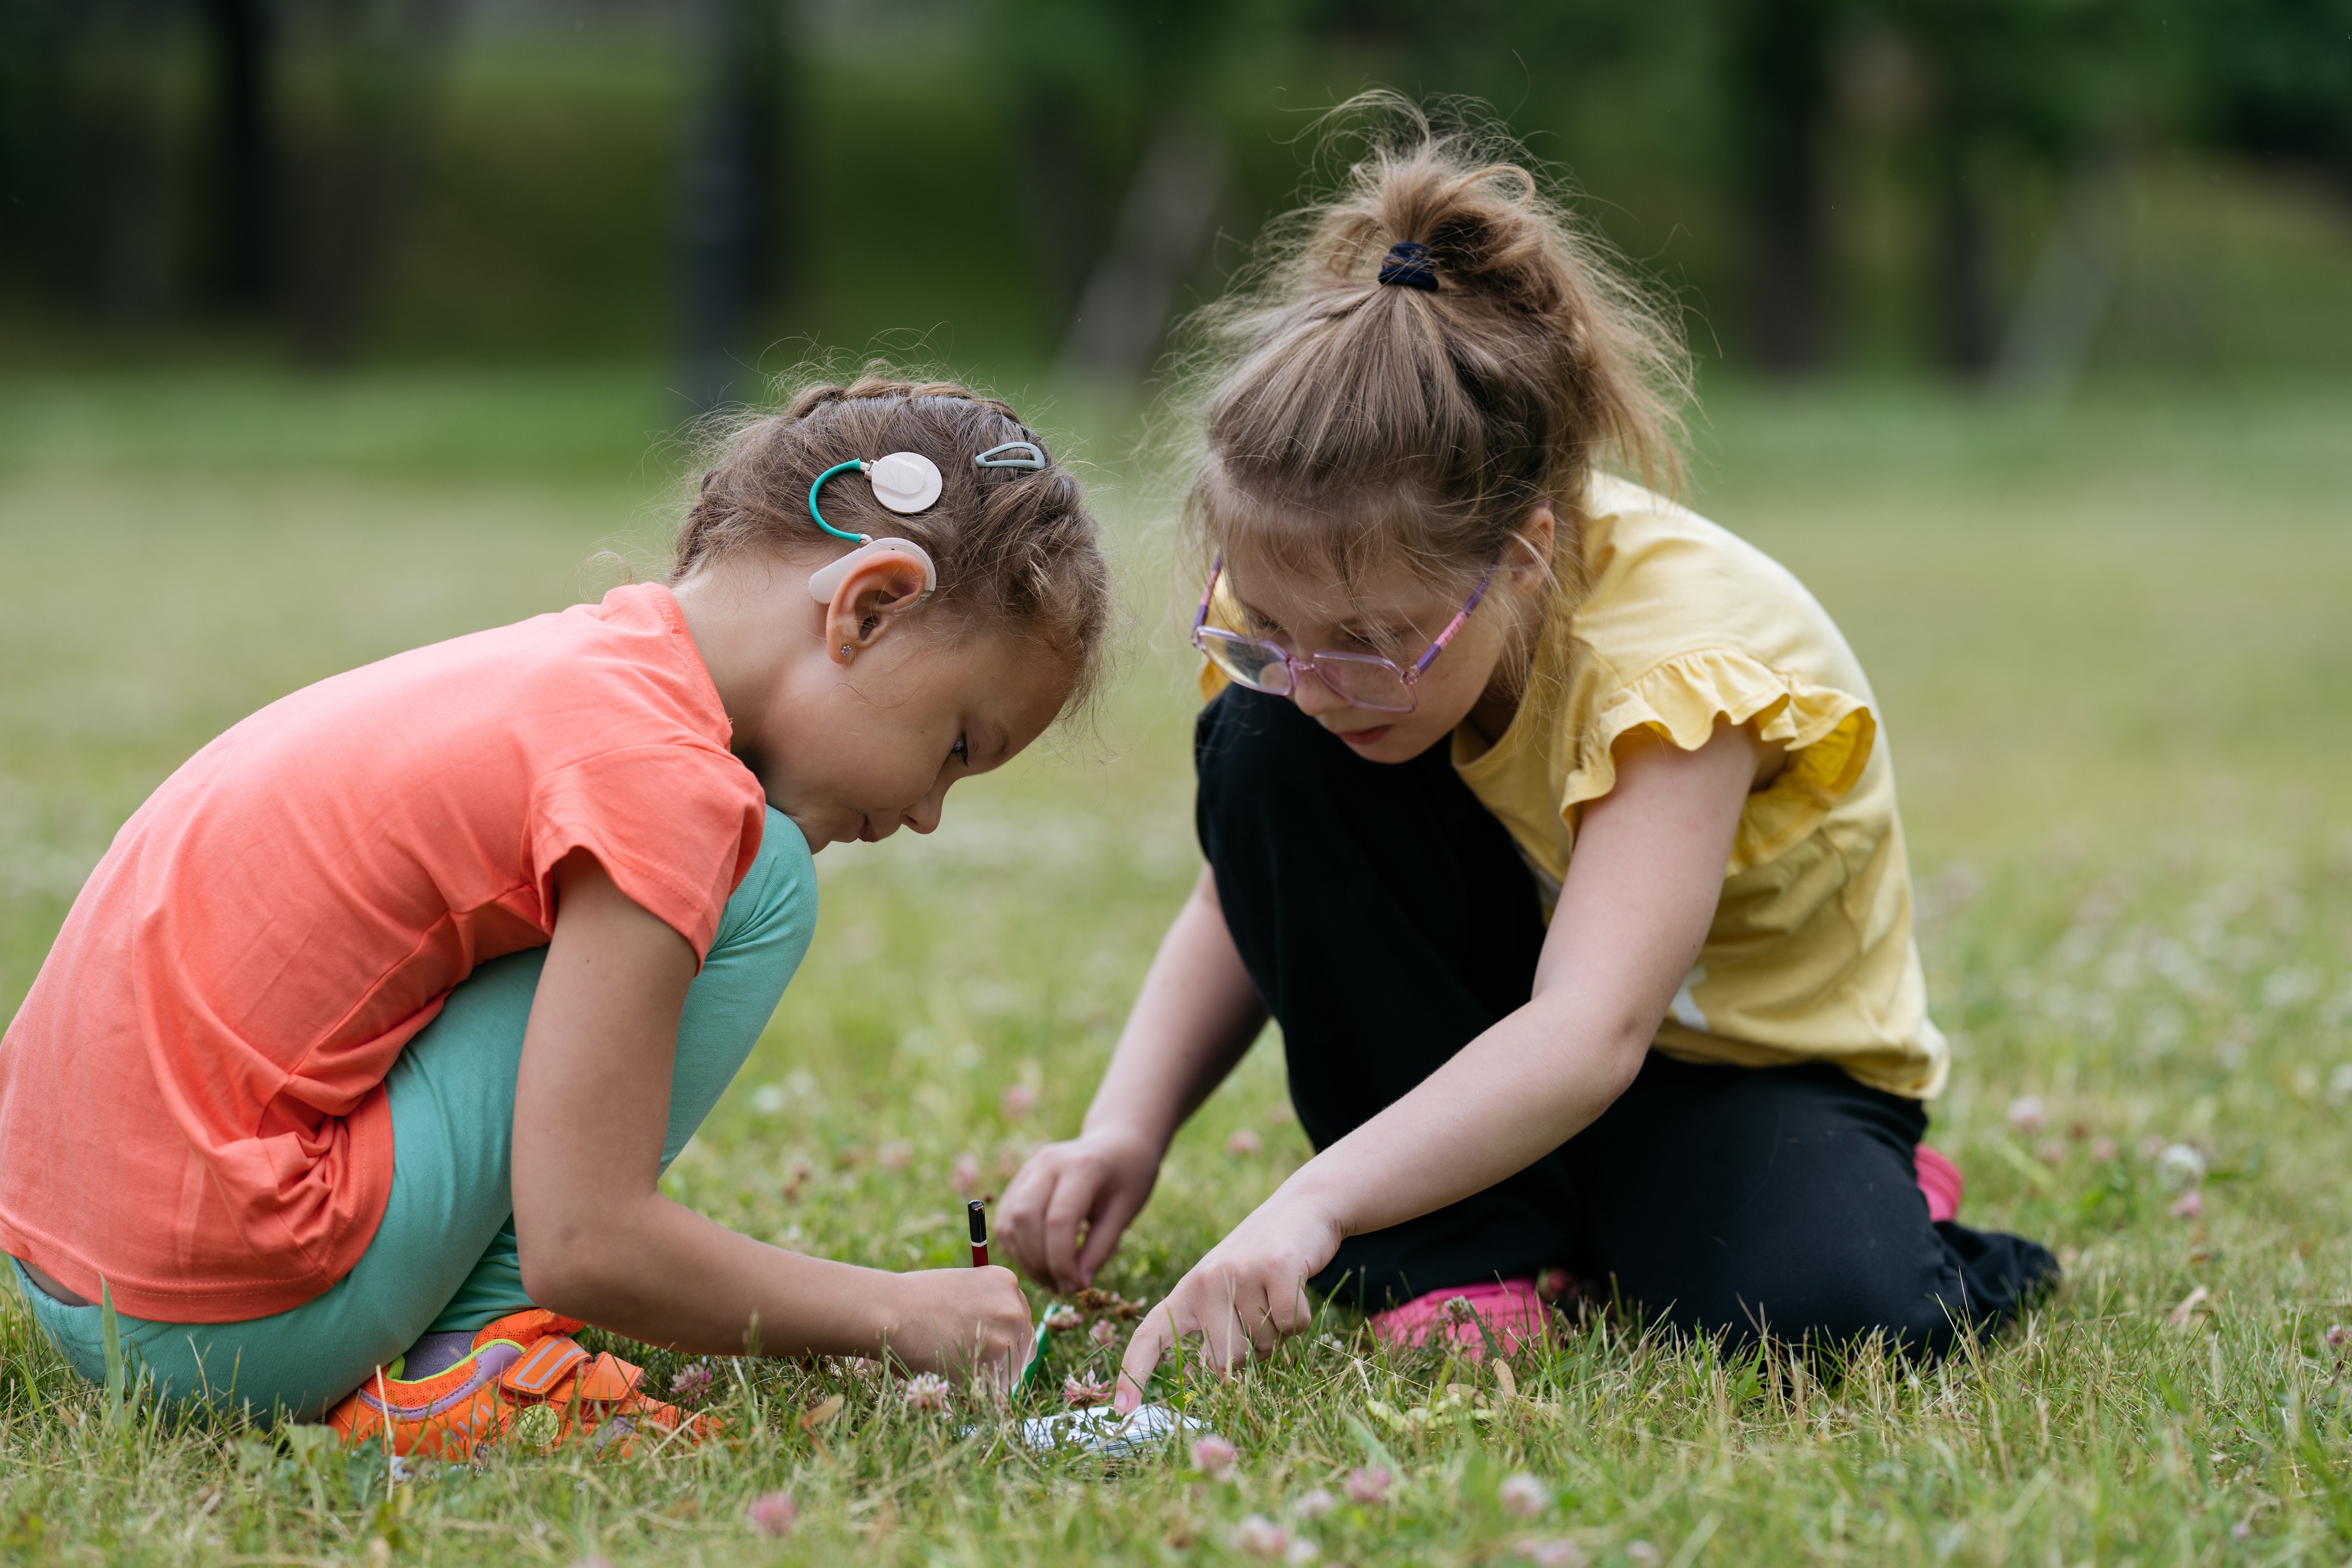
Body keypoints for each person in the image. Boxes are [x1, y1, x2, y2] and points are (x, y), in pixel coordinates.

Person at [997, 106, 2056, 1404]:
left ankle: (1829, 1195)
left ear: (1529, 557)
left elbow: (1591, 1030)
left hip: (1727, 1068)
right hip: (1502, 1033)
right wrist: (1127, 1125)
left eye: (1375, 640)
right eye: (1268, 627)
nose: (1321, 677)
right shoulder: (1315, 660)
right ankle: (1458, 1251)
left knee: (1820, 1316)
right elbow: (1254, 895)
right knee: (1264, 745)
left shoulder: (1673, 673)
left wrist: (1313, 1198)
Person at [0, 376, 1108, 1454]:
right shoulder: (669, 780)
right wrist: (895, 1311)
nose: (924, 815)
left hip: (75, 1273)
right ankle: (467, 1362)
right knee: (758, 867)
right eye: (959, 747)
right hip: (224, 1324)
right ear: (868, 605)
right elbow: (586, 1244)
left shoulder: (588, 667)